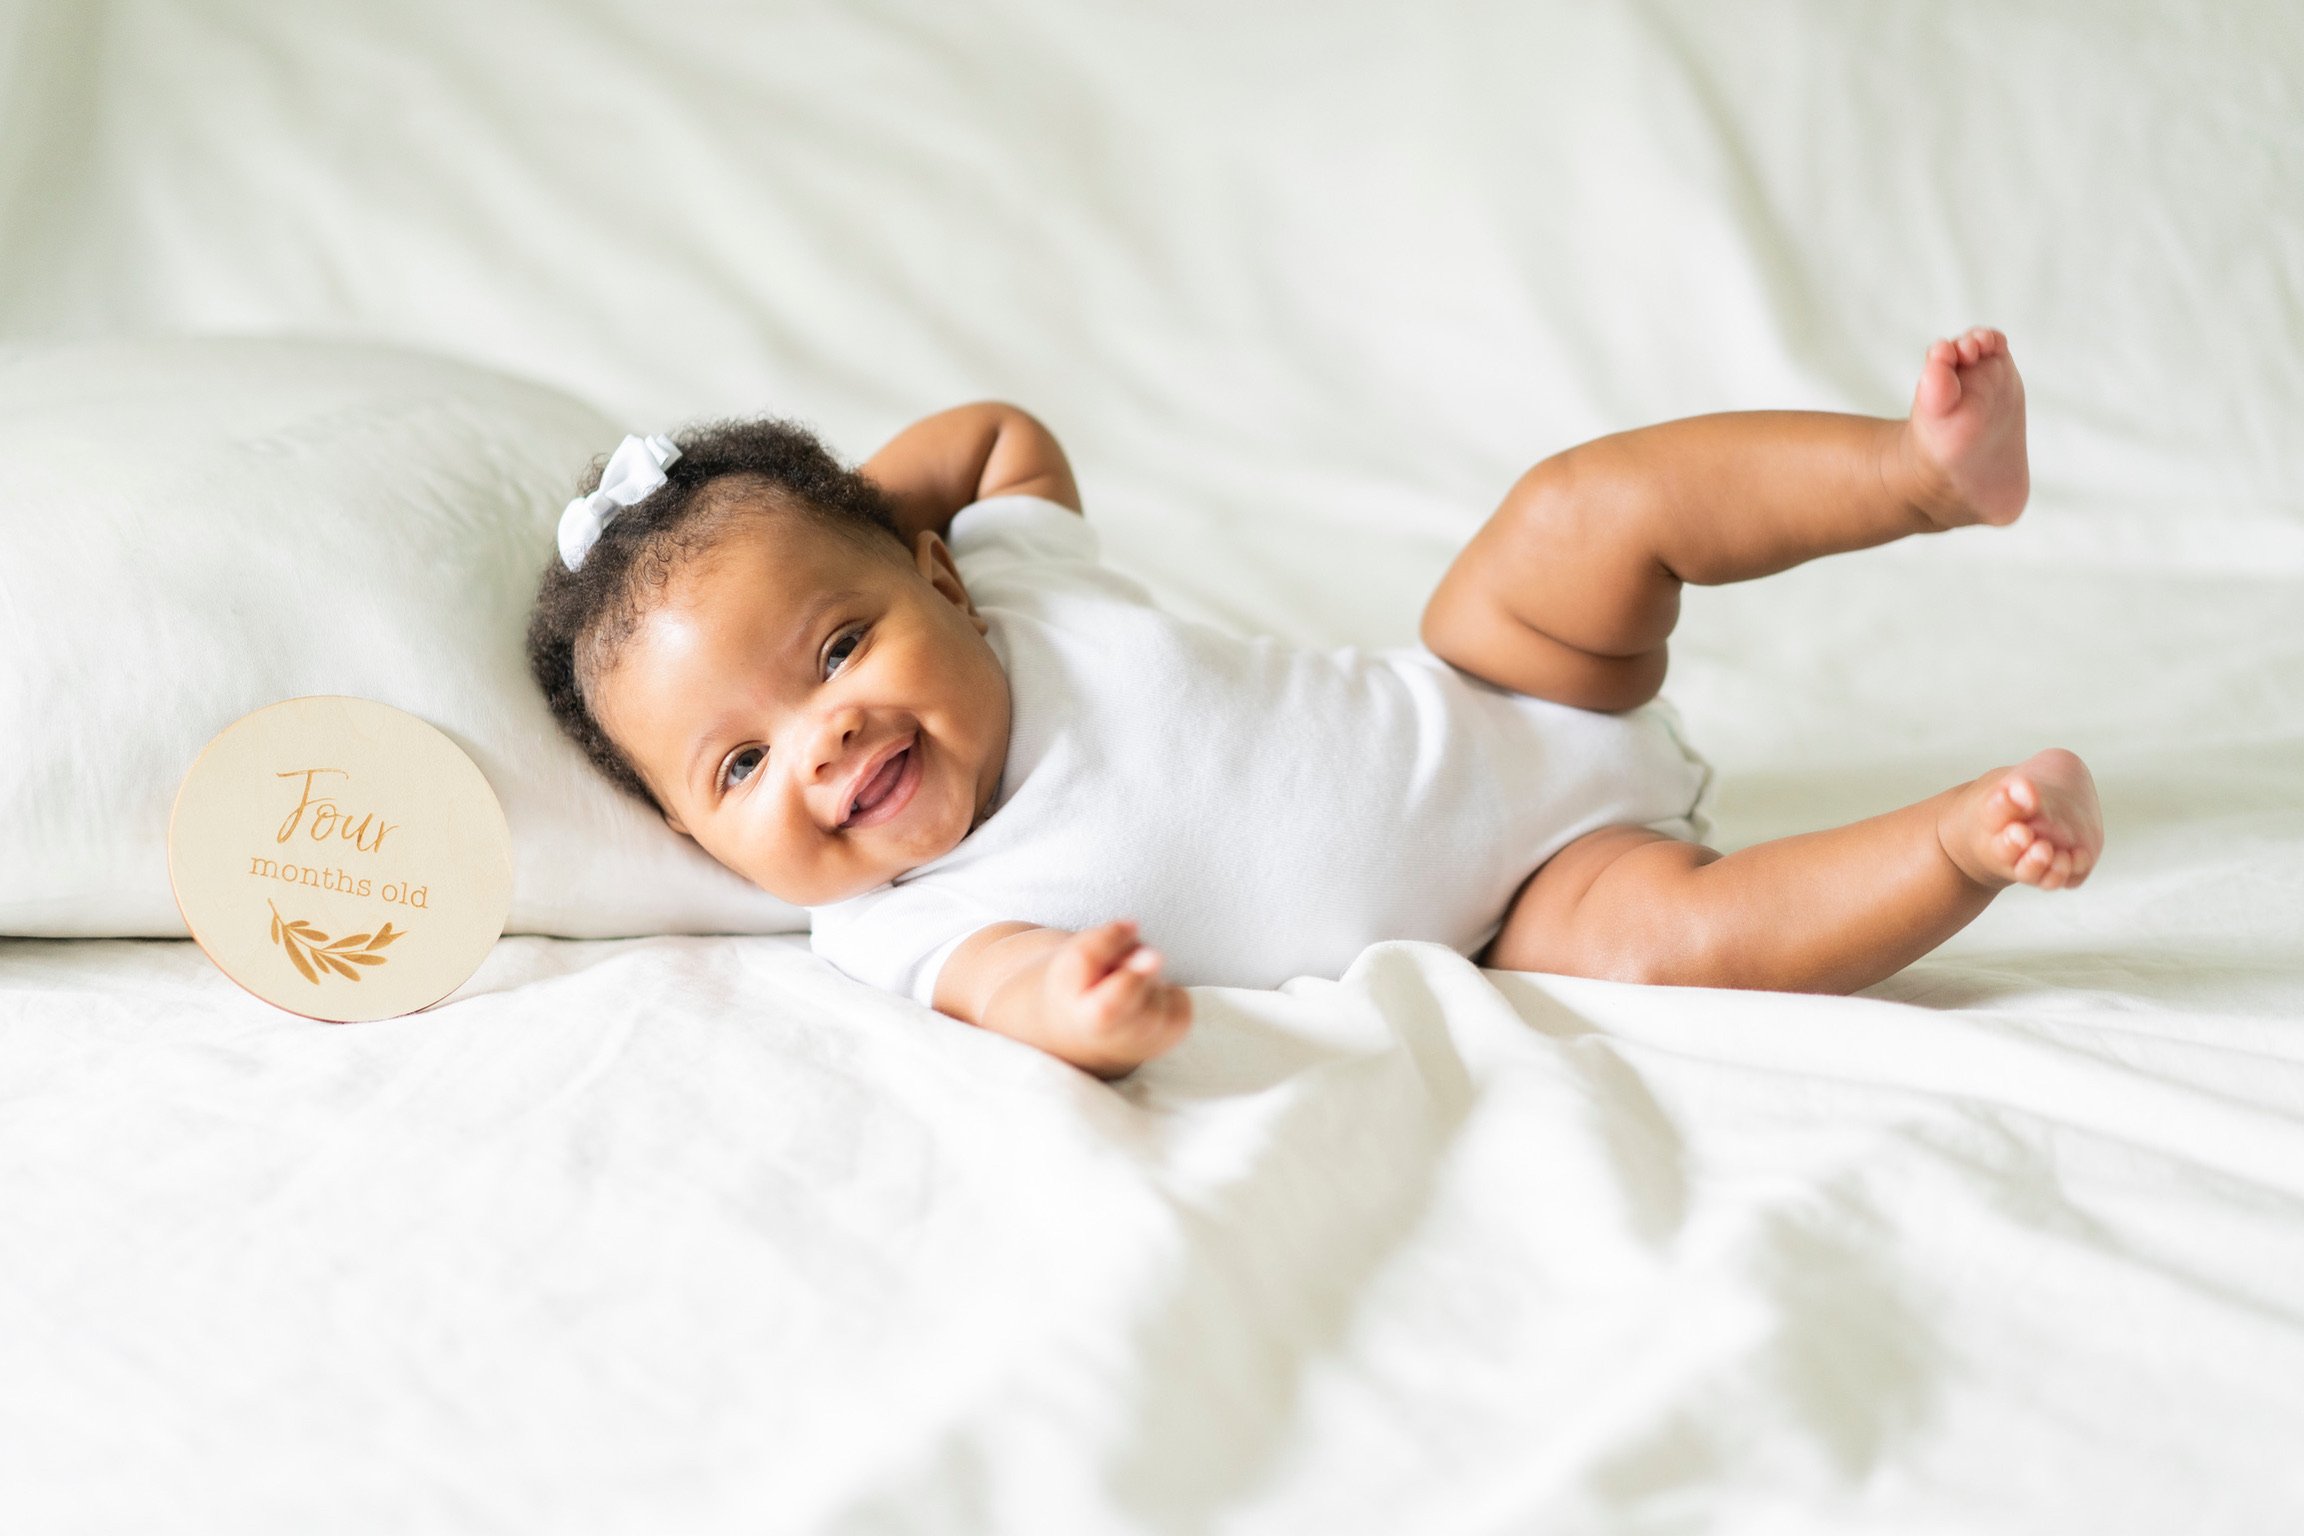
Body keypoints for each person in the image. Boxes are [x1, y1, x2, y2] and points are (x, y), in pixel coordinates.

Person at [526, 328, 2101, 1080]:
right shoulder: (892, 923)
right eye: (740, 764)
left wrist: (847, 528)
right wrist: (1087, 1011)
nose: (827, 739)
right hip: (1530, 904)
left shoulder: (1018, 590)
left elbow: (1000, 431)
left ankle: (1919, 476)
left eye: (833, 652)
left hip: (1498, 682)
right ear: (696, 838)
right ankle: (1968, 841)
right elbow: (1008, 989)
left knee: (1573, 511)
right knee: (1683, 954)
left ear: (935, 577)